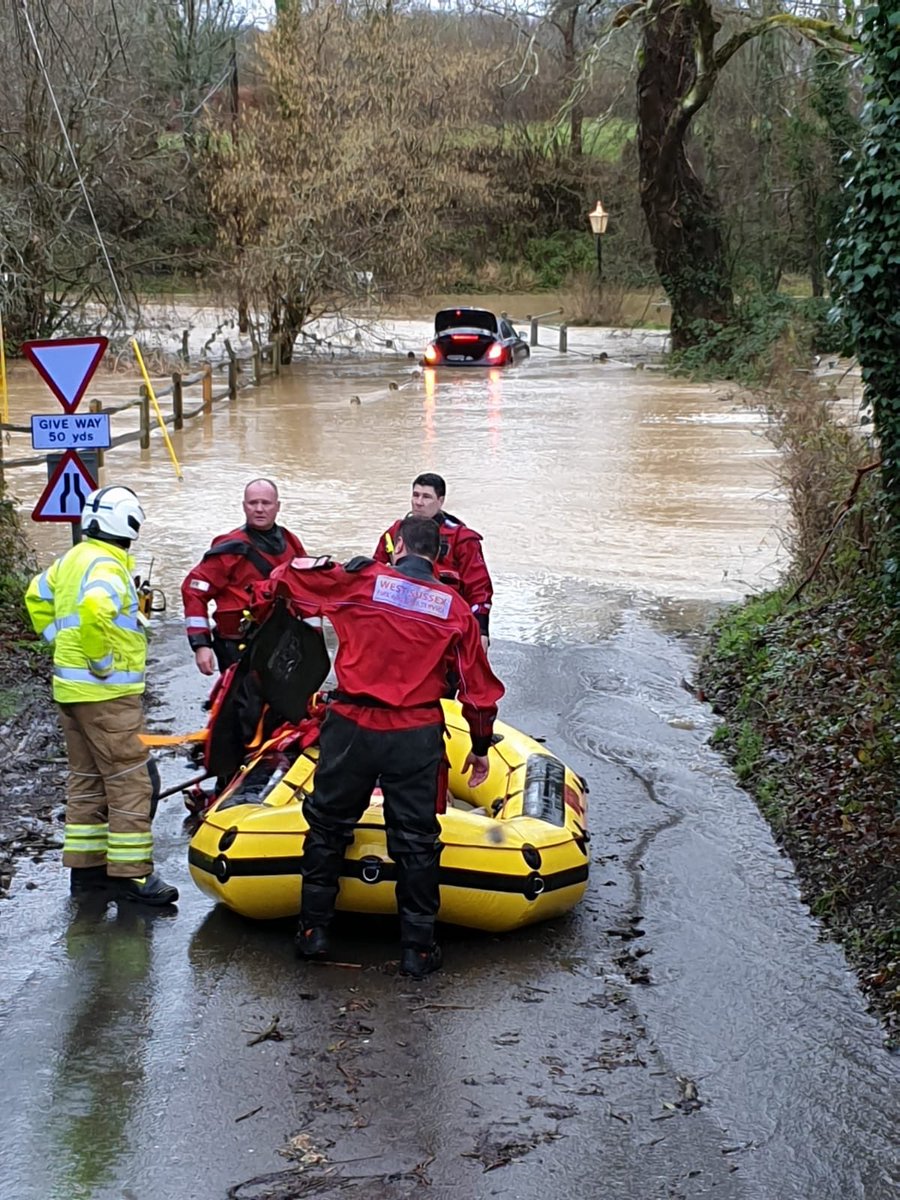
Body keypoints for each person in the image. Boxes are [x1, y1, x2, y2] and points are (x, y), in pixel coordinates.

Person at [252, 515, 504, 978]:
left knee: (327, 828)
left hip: (350, 728)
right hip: (413, 734)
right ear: (441, 556)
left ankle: (314, 932)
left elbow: (287, 580)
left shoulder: (361, 581)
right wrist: (481, 743)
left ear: (398, 544)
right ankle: (417, 948)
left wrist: (306, 571)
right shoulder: (453, 608)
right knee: (415, 842)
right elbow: (478, 689)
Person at [24, 485, 178, 905]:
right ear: (126, 523)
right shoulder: (108, 567)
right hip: (106, 693)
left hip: (70, 691)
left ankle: (87, 871)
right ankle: (133, 877)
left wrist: (59, 641)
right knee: (131, 781)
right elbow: (95, 610)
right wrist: (101, 662)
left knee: (87, 779)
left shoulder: (72, 558)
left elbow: (36, 594)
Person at [182, 478, 307, 676]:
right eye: (252, 503)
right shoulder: (230, 548)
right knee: (243, 705)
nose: (259, 509)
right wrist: (201, 645)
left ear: (277, 506)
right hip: (237, 647)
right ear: (244, 506)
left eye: (266, 503)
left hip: (280, 644)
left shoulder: (291, 542)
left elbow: (307, 590)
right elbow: (194, 590)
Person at [373, 472, 493, 652]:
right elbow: (373, 574)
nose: (418, 502)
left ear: (441, 500)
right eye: (415, 495)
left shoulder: (462, 539)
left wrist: (481, 630)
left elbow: (479, 589)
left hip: (445, 622)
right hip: (399, 621)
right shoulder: (395, 531)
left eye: (426, 497)